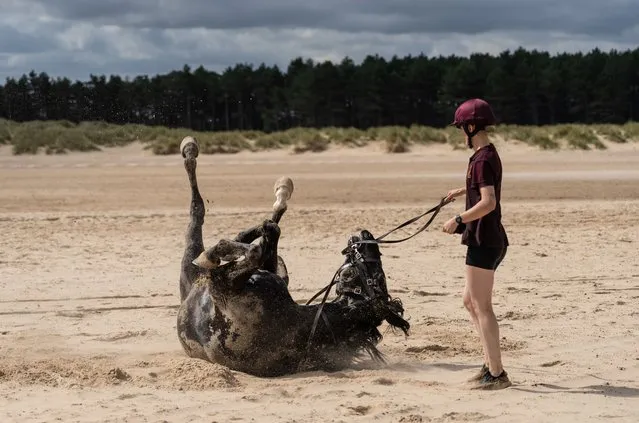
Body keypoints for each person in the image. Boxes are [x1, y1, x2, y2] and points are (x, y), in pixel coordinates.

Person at [441, 98, 511, 390]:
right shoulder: (485, 155)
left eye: (461, 128)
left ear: (471, 126)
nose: (461, 133)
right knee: (470, 302)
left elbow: (488, 202)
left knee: (482, 306)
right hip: (488, 239)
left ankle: (496, 374)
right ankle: (489, 364)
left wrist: (458, 219)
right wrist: (461, 190)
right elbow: (484, 189)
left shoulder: (481, 160)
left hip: (484, 240)